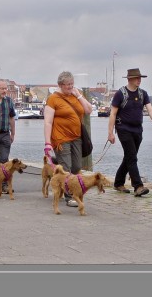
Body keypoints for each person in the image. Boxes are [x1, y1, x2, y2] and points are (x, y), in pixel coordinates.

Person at [108, 68, 152, 196]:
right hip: (123, 129)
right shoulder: (120, 94)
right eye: (136, 78)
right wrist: (110, 133)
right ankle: (138, 186)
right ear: (129, 79)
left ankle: (118, 183)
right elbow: (113, 114)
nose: (139, 80)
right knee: (132, 157)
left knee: (129, 157)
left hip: (137, 130)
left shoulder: (143, 94)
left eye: (140, 78)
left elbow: (150, 110)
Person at [44, 71, 92, 207]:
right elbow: (48, 122)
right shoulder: (53, 99)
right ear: (60, 85)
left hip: (76, 137)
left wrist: (79, 95)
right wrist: (48, 142)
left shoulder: (75, 96)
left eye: (72, 84)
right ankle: (70, 196)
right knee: (66, 167)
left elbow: (88, 110)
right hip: (60, 138)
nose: (70, 87)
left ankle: (66, 185)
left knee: (77, 166)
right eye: (67, 85)